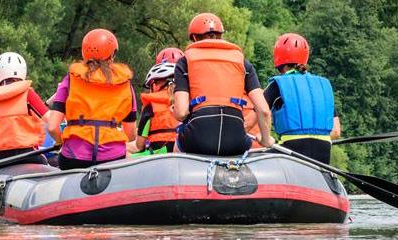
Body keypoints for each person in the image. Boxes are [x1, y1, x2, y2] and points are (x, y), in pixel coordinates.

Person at [172, 13, 274, 156]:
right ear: (221, 36)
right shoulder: (242, 62)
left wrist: (176, 112)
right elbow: (263, 110)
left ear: (194, 38)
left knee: (177, 146)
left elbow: (182, 113)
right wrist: (266, 139)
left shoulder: (184, 62)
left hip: (199, 136)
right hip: (235, 137)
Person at [47, 28, 137, 170]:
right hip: (113, 157)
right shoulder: (125, 84)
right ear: (112, 55)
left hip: (74, 157)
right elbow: (131, 135)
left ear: (84, 53)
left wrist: (61, 141)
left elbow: (52, 127)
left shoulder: (71, 80)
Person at [264, 33, 342, 164]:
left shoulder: (278, 84)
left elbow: (260, 112)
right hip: (323, 153)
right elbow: (336, 131)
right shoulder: (322, 86)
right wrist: (313, 138)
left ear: (278, 57)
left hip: (291, 149)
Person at [130, 48, 184, 156]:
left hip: (159, 155)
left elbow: (139, 146)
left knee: (124, 153)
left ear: (157, 83)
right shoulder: (188, 102)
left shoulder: (151, 106)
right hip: (184, 153)